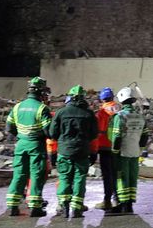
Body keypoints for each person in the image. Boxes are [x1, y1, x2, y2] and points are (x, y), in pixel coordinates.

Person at [5, 77, 52, 217]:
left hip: (20, 145)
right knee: (36, 175)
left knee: (19, 175)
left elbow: (9, 128)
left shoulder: (17, 107)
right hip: (36, 146)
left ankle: (13, 207)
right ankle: (35, 208)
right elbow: (48, 131)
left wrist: (21, 135)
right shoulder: (42, 108)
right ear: (40, 92)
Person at [49, 85, 98, 218]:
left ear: (69, 98)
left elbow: (52, 133)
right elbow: (94, 135)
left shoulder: (61, 112)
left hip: (65, 151)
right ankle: (77, 208)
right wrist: (93, 152)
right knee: (79, 178)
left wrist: (54, 152)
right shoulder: (89, 114)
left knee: (64, 177)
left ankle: (64, 206)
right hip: (82, 152)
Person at [107, 87, 148, 215]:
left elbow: (117, 136)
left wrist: (114, 151)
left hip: (122, 152)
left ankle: (123, 205)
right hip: (135, 152)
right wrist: (140, 149)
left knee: (122, 178)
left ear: (121, 100)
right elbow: (145, 136)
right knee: (132, 177)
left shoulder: (119, 116)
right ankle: (130, 204)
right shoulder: (140, 116)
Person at [90, 87, 120, 210]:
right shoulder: (119, 108)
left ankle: (107, 200)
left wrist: (93, 149)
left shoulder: (101, 111)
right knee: (116, 173)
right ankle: (117, 199)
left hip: (104, 147)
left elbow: (97, 131)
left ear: (102, 99)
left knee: (107, 175)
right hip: (118, 145)